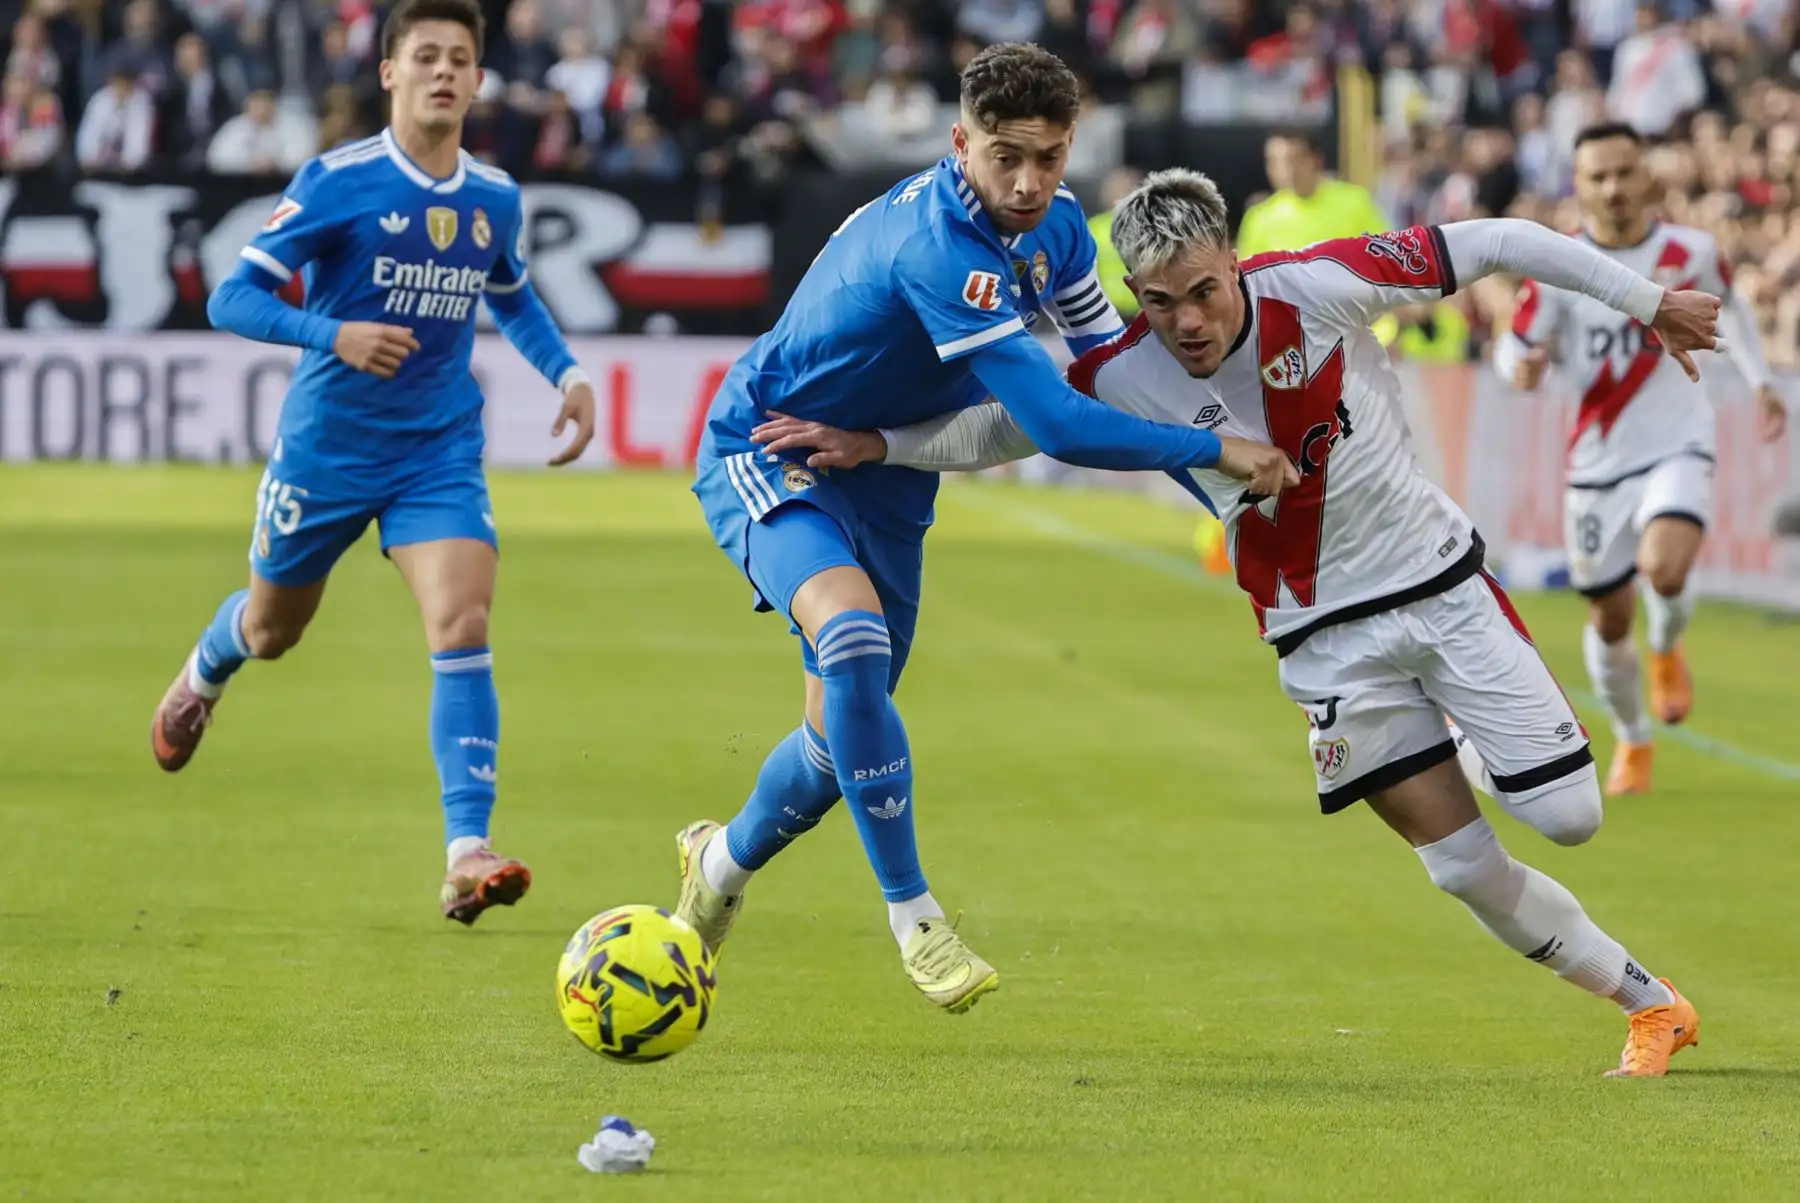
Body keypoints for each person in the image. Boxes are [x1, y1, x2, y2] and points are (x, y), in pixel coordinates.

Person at [750, 168, 1724, 1077]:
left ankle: (1471, 738)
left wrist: (1648, 301)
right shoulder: (1125, 371)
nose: (1186, 321)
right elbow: (999, 430)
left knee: (1569, 817)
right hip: (1322, 642)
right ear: (1133, 290)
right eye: (1159, 300)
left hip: (1439, 588)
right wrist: (876, 444)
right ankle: (1651, 1005)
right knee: (1461, 869)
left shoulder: (1323, 282)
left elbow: (1504, 237)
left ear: (1232, 258)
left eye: (1203, 291)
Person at [681, 44, 1293, 1014]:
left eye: (1048, 158)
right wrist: (1220, 459)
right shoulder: (938, 247)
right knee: (851, 638)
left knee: (838, 742)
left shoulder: (1058, 235)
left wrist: (1237, 499)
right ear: (960, 141)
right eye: (1004, 155)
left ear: (1070, 149)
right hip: (775, 443)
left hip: (884, 473)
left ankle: (717, 866)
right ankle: (915, 918)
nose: (1026, 180)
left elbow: (1113, 375)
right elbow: (1055, 424)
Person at [150, 0, 598, 927]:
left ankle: (465, 852)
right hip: (328, 448)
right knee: (274, 630)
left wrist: (569, 373)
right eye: (425, 55)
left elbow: (508, 293)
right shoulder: (335, 181)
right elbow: (232, 297)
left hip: (436, 449)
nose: (444, 71)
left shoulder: (494, 196)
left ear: (479, 81)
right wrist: (334, 333)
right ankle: (205, 669)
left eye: (460, 58)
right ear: (388, 73)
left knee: (463, 615)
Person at [1494, 122, 1787, 796]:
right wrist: (1521, 367)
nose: (1614, 188)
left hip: (1678, 439)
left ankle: (1666, 647)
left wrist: (1760, 381)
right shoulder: (1560, 264)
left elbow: (1731, 310)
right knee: (1608, 617)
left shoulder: (1691, 250)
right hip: (1596, 462)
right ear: (1579, 185)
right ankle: (1633, 737)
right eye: (1598, 176)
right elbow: (1513, 342)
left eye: (1625, 172)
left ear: (1647, 177)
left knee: (1664, 564)